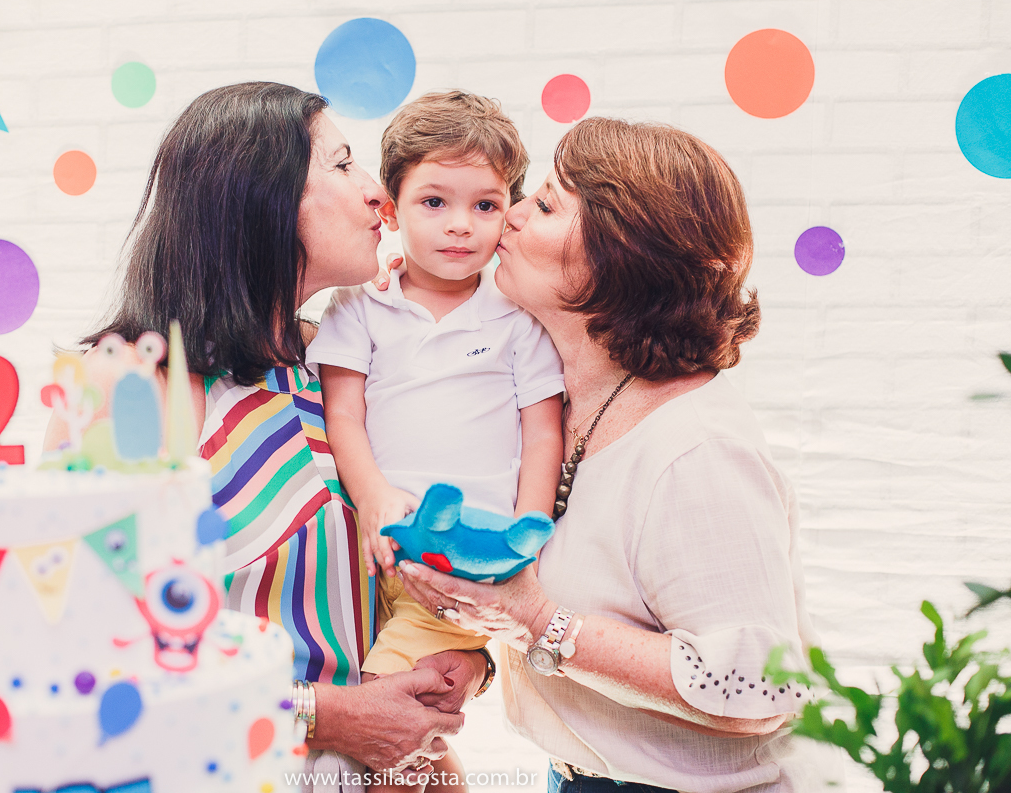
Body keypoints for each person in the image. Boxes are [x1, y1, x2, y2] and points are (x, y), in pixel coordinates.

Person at [49, 82, 490, 793]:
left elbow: (406, 571)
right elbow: (79, 655)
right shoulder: (128, 388)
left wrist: (466, 660)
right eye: (344, 165)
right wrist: (322, 715)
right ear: (264, 198)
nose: (380, 192)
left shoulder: (341, 369)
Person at [398, 117, 817, 793]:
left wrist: (534, 620)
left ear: (618, 255)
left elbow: (762, 688)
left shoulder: (694, 449)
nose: (509, 214)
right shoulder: (556, 410)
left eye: (545, 204)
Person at [306, 91, 565, 793]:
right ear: (389, 207)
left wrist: (526, 538)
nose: (460, 226)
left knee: (388, 710)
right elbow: (345, 417)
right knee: (403, 734)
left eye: (484, 206)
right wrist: (376, 500)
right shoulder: (361, 307)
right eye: (433, 203)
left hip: (457, 564)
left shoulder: (517, 317)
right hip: (369, 554)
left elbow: (542, 430)